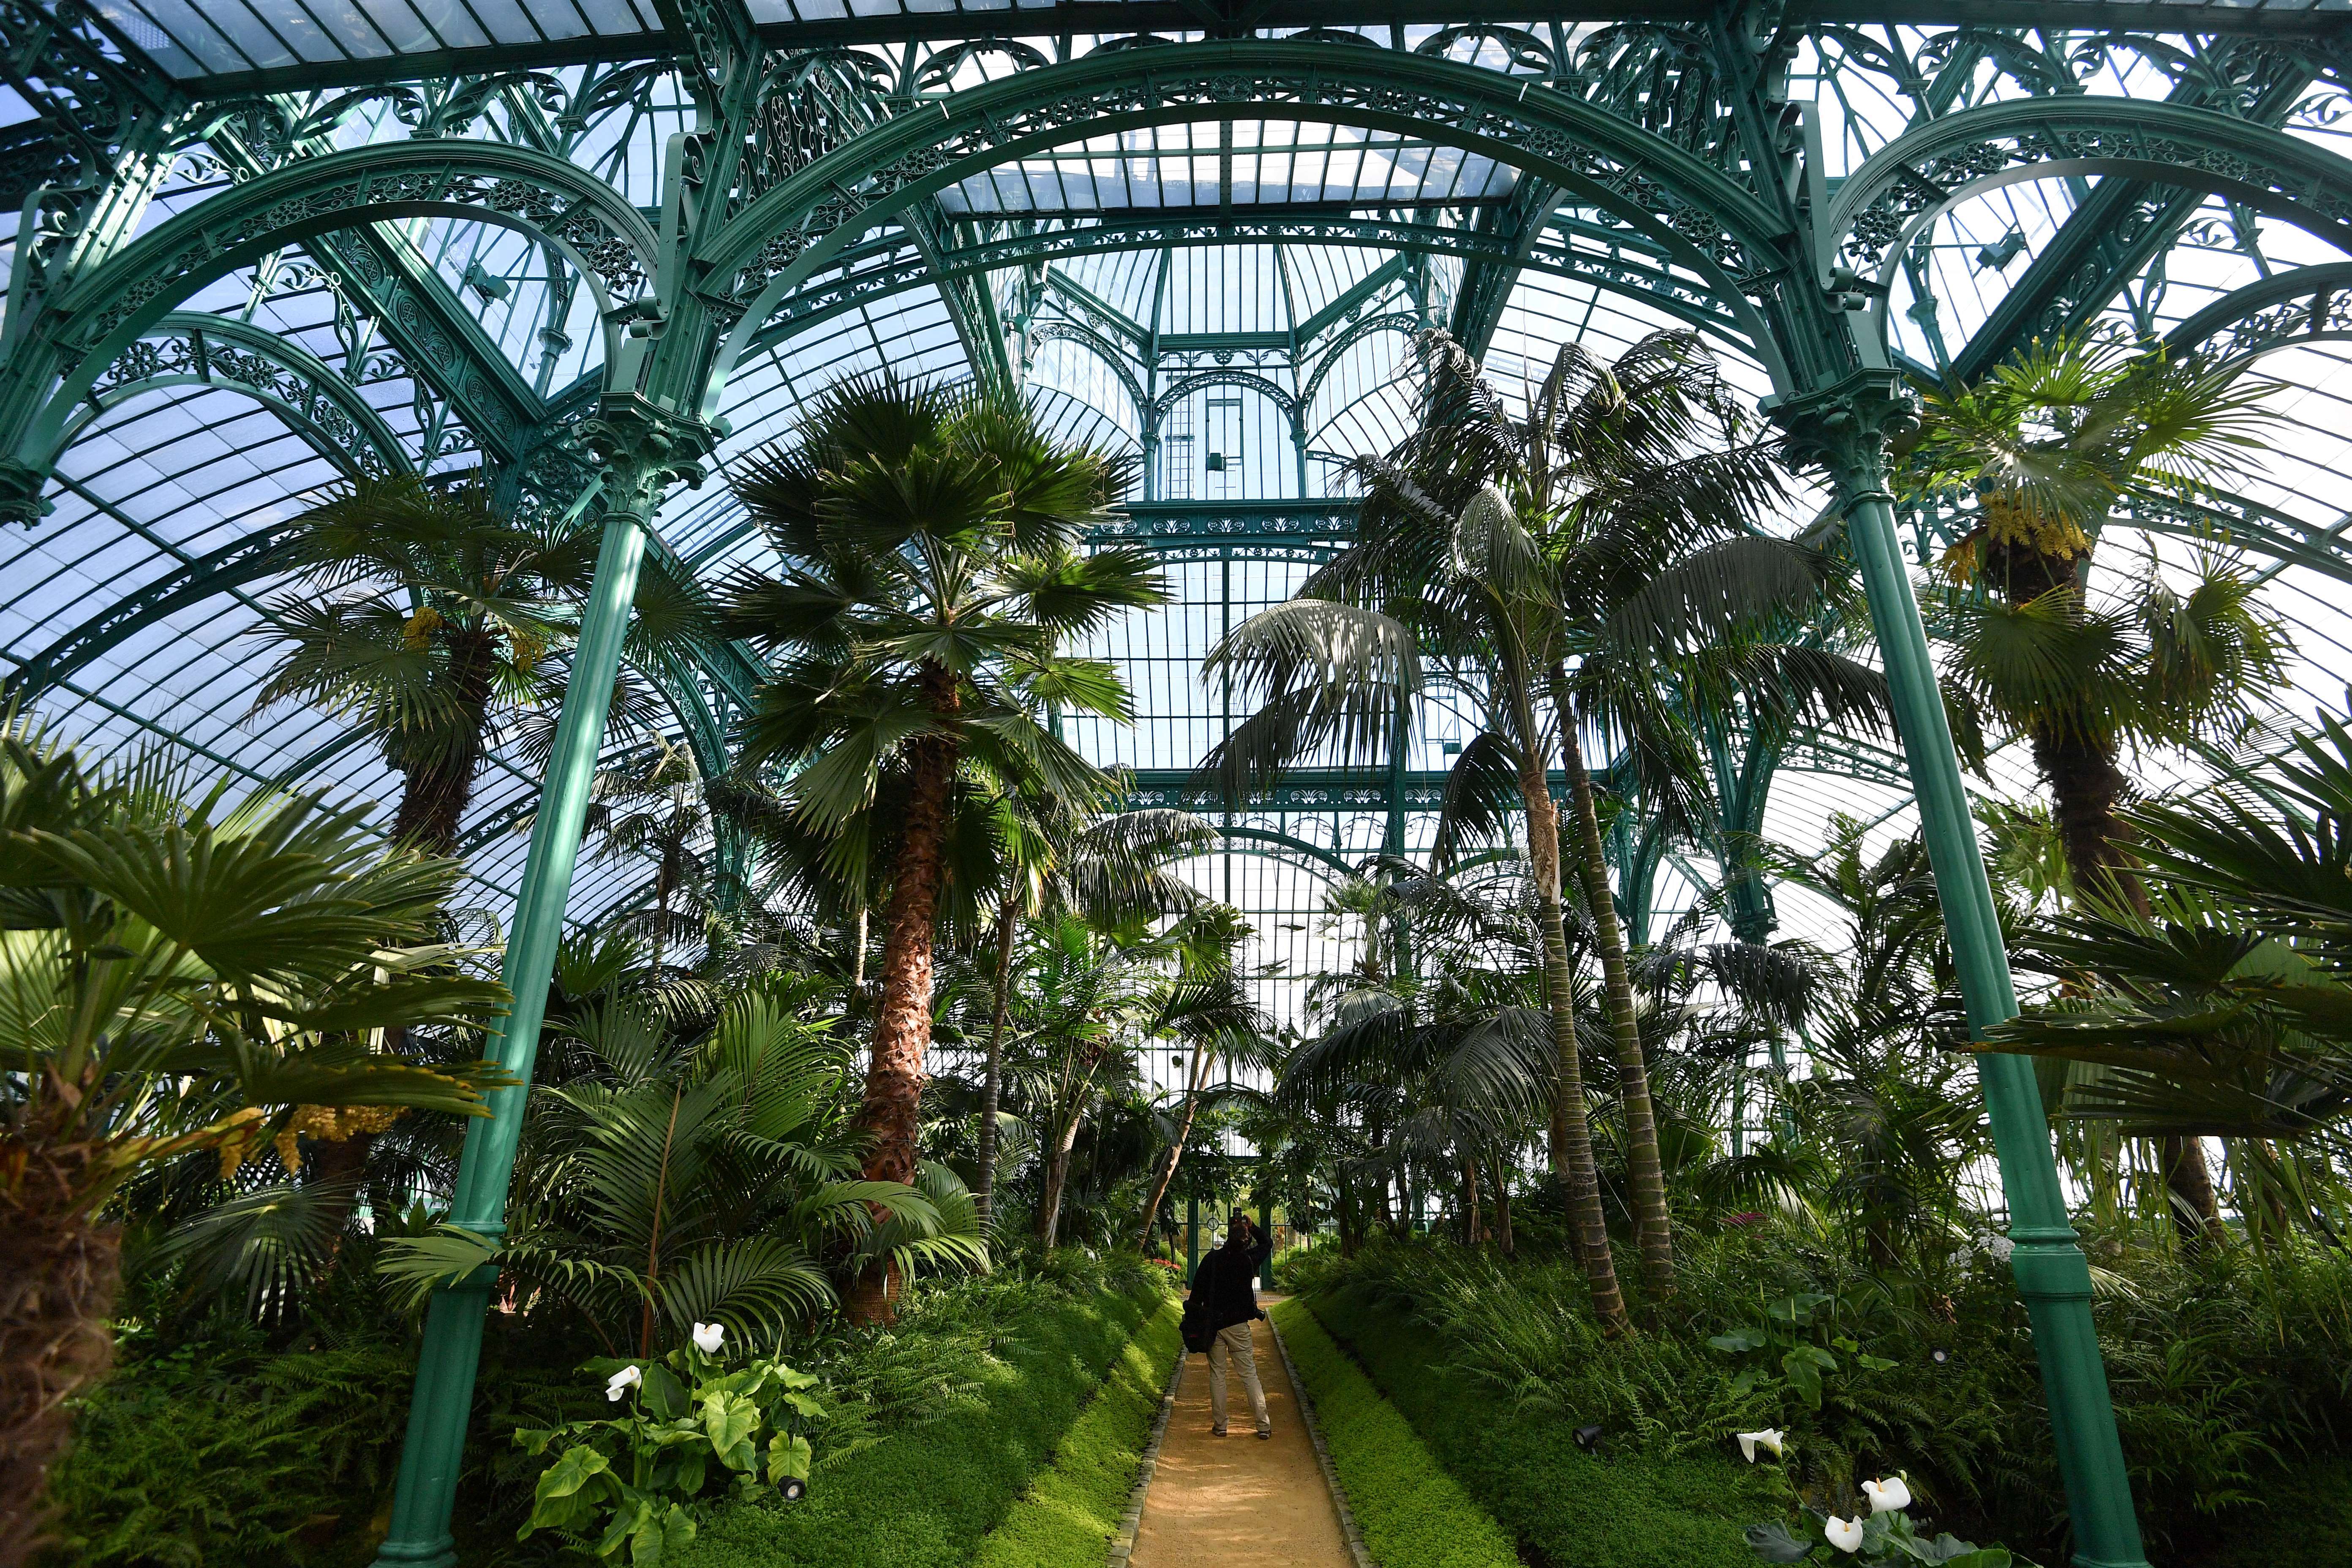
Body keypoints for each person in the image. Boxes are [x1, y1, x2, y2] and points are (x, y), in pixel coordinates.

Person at [1186, 1212, 1272, 1438]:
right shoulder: (1249, 1260)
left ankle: (1221, 1426)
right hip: (1238, 1326)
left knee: (1218, 1375)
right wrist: (1251, 1227)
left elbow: (1196, 1295)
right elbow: (1268, 1243)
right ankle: (1263, 1426)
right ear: (1246, 1242)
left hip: (1213, 1325)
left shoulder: (1212, 1260)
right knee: (1249, 1375)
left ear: (1227, 1238)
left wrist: (1193, 1322)